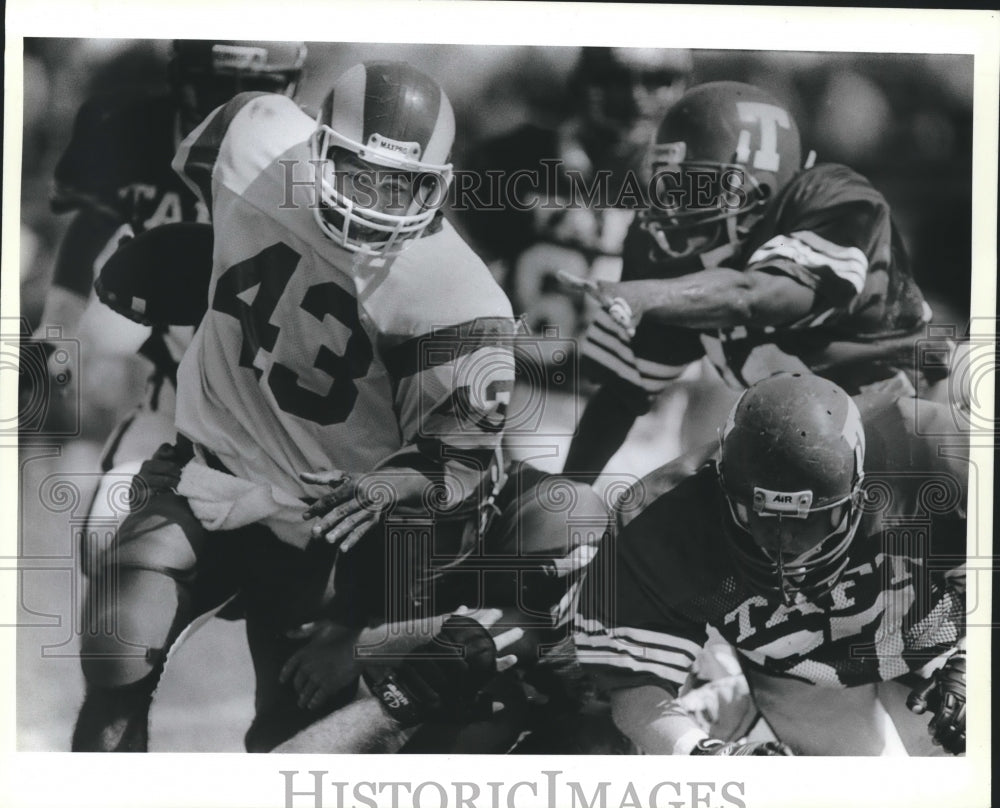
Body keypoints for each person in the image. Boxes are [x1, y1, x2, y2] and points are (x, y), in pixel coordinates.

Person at [72, 60, 607, 753]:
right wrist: (199, 256)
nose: (377, 200)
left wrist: (352, 625)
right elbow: (210, 200)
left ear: (437, 186)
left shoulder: (457, 300)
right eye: (360, 173)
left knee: (293, 746)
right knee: (118, 648)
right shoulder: (255, 135)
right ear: (318, 148)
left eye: (403, 184)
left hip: (331, 527)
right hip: (212, 466)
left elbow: (452, 477)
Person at [563, 80, 948, 480]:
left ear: (761, 183)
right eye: (670, 184)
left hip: (911, 423)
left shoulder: (834, 198)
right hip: (806, 441)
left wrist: (650, 294)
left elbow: (762, 294)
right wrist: (566, 496)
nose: (675, 205)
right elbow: (621, 396)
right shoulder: (668, 256)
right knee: (644, 510)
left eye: (699, 185)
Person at [573, 372, 968, 755]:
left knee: (962, 758)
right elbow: (635, 686)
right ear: (723, 486)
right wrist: (704, 755)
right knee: (856, 790)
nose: (785, 543)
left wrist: (972, 660)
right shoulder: (663, 521)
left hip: (929, 641)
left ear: (859, 489)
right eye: (758, 515)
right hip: (802, 676)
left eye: (808, 518)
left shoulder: (930, 451)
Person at [32, 39, 307, 567]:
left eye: (255, 91)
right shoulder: (134, 131)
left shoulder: (308, 156)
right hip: (177, 385)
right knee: (105, 546)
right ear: (179, 80)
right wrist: (58, 323)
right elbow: (95, 219)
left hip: (279, 407)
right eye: (213, 88)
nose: (232, 107)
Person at [460, 46, 693, 342]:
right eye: (615, 78)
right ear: (581, 83)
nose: (636, 97)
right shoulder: (510, 162)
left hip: (643, 382)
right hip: (531, 377)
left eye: (659, 79)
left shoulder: (694, 180)